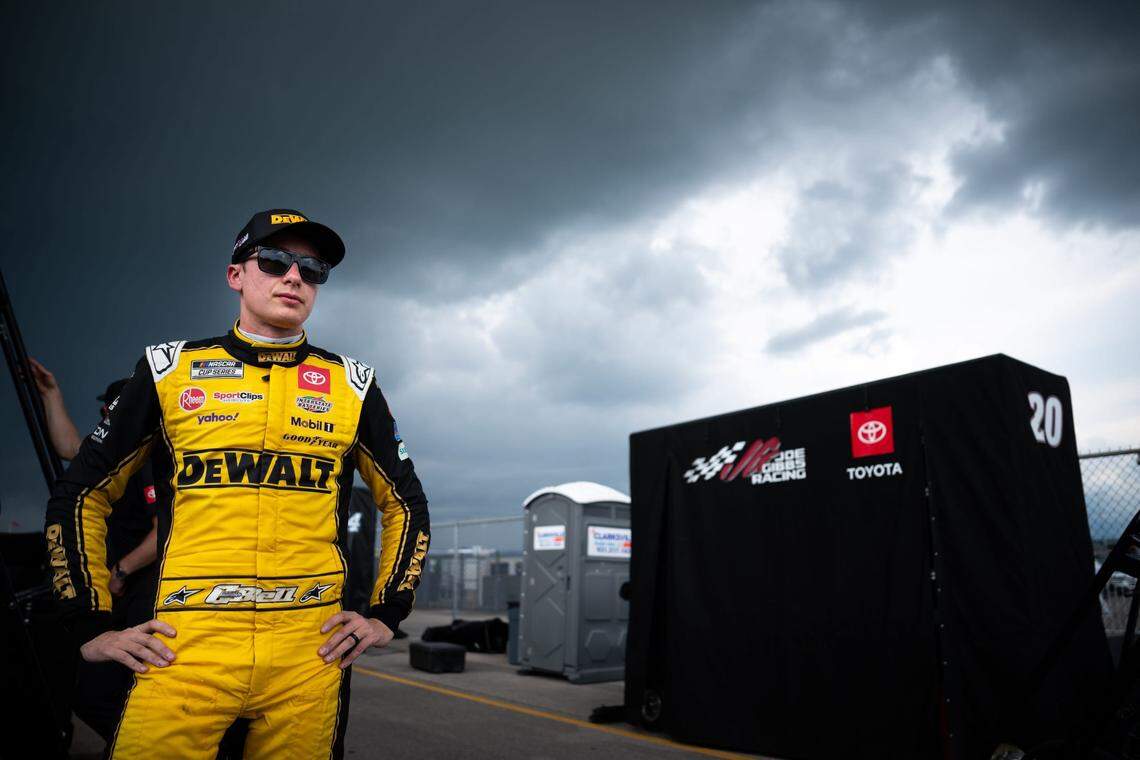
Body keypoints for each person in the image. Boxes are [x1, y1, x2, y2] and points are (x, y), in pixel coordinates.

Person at [44, 209, 431, 758]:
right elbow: (81, 493)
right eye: (274, 261)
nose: (294, 277)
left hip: (310, 659)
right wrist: (88, 622)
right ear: (236, 276)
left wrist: (386, 613)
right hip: (183, 653)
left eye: (313, 269)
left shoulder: (352, 385)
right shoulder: (168, 369)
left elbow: (405, 503)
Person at [30, 364, 160, 740]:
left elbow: (160, 530)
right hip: (115, 593)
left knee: (103, 690)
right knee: (90, 690)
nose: (105, 418)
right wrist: (51, 394)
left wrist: (119, 571)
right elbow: (71, 448)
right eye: (104, 412)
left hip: (140, 594)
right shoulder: (109, 455)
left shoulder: (149, 458)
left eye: (111, 411)